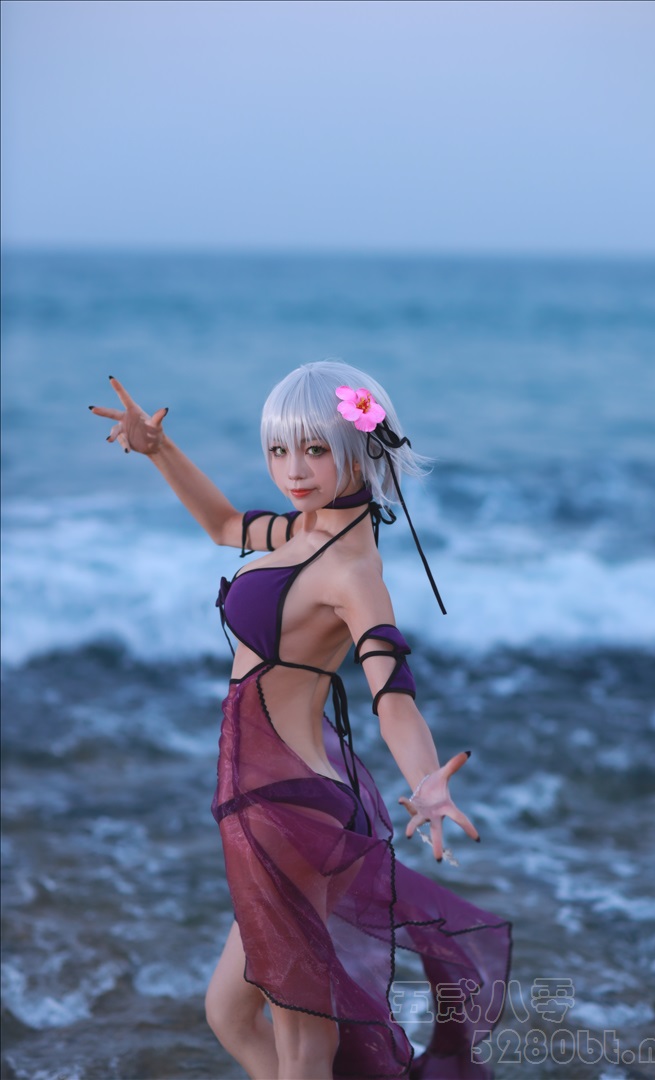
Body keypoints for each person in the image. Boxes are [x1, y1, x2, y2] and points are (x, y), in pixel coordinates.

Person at [91, 361, 511, 1080]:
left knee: (304, 1043)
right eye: (280, 449)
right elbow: (225, 525)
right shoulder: (303, 528)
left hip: (286, 808)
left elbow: (392, 694)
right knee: (231, 1014)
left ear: (360, 450)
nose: (293, 469)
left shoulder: (353, 571)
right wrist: (158, 449)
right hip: (263, 796)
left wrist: (427, 781)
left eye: (315, 450)